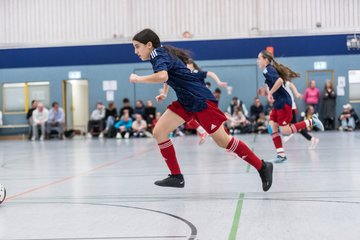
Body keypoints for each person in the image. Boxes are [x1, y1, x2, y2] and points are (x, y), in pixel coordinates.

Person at [129, 28, 273, 191]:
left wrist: (138, 78)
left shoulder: (158, 55)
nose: (135, 51)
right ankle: (176, 176)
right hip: (186, 101)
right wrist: (164, 92)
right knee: (159, 132)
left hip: (200, 100)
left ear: (149, 45)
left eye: (137, 46)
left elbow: (163, 76)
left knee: (223, 141)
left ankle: (262, 166)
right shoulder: (160, 54)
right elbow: (168, 75)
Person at [257, 50, 324, 163]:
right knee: (272, 126)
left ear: (266, 60)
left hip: (284, 103)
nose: (257, 61)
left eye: (259, 58)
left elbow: (279, 81)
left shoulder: (269, 69)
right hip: (277, 103)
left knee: (286, 131)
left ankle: (311, 121)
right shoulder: (266, 71)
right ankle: (281, 155)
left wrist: (270, 93)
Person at [282, 81, 320, 149]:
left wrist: (296, 93)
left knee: (294, 126)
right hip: (284, 107)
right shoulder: (275, 83)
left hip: (290, 107)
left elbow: (291, 85)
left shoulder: (284, 82)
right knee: (296, 126)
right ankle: (312, 139)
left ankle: (312, 122)